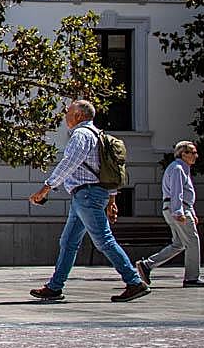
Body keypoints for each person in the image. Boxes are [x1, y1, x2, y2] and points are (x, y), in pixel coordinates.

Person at [28, 100, 149, 302]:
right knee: (68, 242)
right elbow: (107, 170)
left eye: (68, 112)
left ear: (79, 115)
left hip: (87, 196)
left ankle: (134, 281)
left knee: (104, 240)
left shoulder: (81, 134)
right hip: (86, 196)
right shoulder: (98, 134)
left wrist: (46, 188)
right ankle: (55, 287)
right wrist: (112, 199)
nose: (66, 116)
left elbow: (70, 162)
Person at [135, 141, 204, 288]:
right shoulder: (178, 168)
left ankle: (147, 265)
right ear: (183, 154)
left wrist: (191, 212)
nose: (196, 156)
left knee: (179, 244)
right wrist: (179, 211)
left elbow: (184, 194)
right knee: (192, 242)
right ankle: (191, 278)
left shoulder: (181, 168)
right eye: (193, 152)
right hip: (178, 209)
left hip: (176, 208)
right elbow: (177, 192)